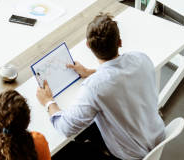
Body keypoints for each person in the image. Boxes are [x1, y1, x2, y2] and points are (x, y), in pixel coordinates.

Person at [36, 13, 165, 160]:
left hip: (130, 155)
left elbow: (65, 127)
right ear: (120, 42)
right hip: (157, 137)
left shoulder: (94, 88)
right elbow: (118, 75)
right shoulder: (141, 58)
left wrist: (48, 102)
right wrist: (89, 72)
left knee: (62, 151)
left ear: (88, 46)